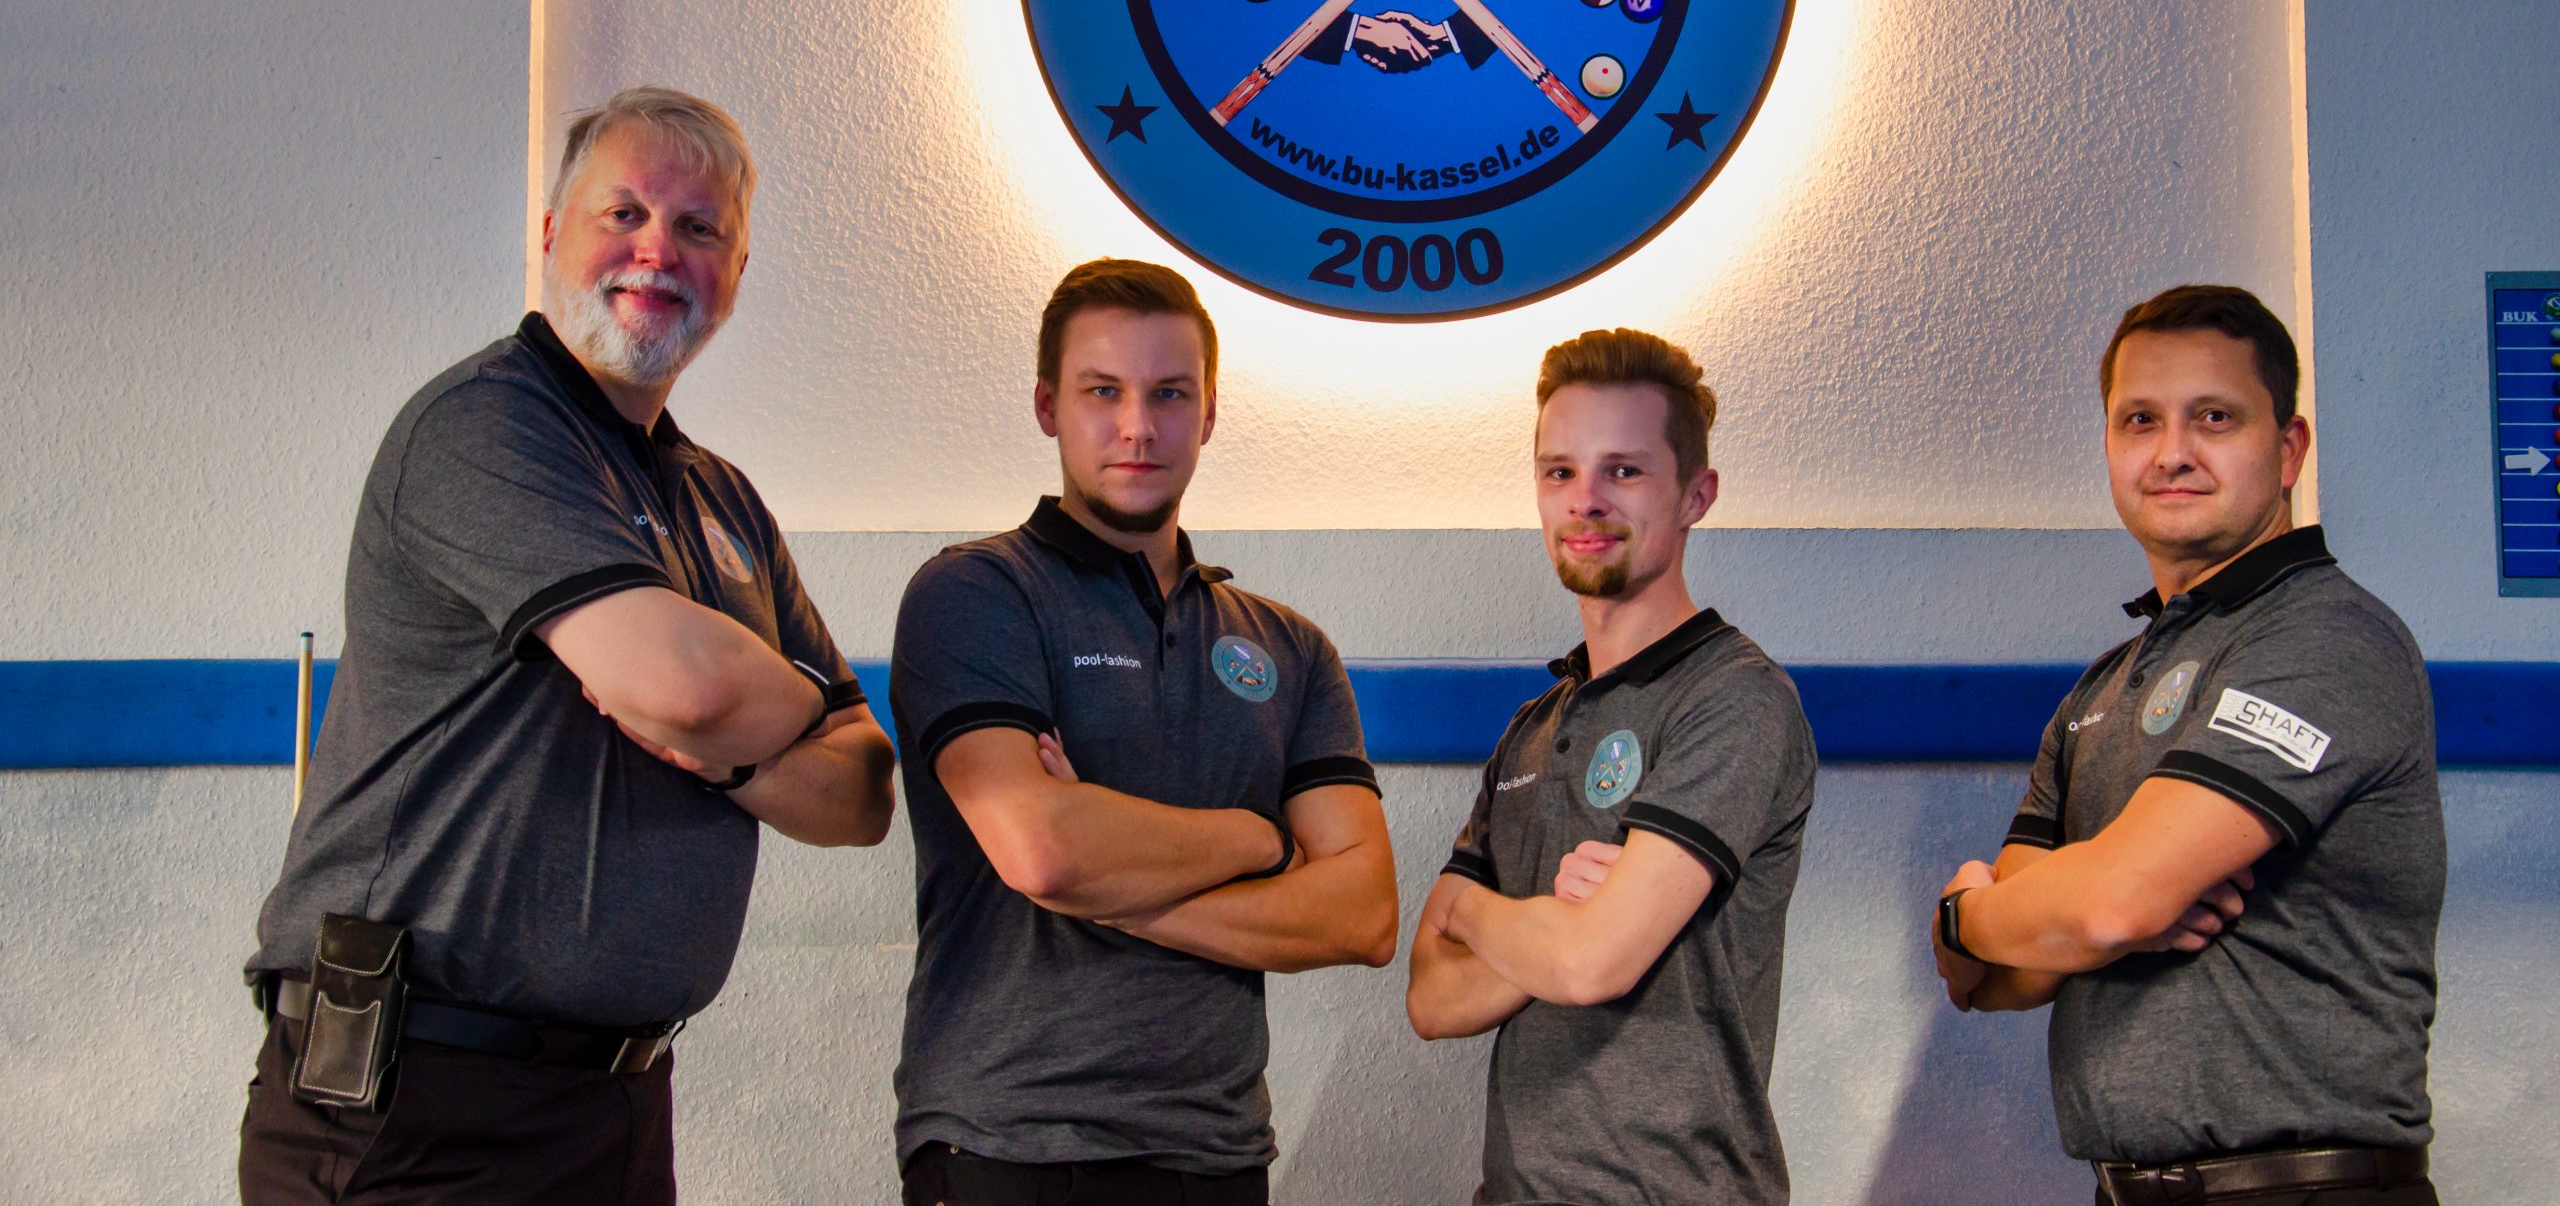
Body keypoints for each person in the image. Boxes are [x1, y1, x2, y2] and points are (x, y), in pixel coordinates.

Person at [239, 87, 896, 1204]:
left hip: (617, 1103)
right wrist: (785, 705)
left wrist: (731, 754)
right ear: (551, 233)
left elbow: (864, 793)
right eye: (623, 213)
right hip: (416, 1104)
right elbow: (686, 687)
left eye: (699, 228)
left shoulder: (722, 499)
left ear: (737, 270)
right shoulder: (484, 425)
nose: (658, 252)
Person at [890, 258, 1397, 1205]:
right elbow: (1043, 851)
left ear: (1208, 414)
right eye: (1102, 392)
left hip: (1218, 1154)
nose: (1137, 426)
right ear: (1047, 406)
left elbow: (1363, 913)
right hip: (1009, 1145)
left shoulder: (1290, 648)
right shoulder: (978, 594)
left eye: (1169, 393)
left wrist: (1114, 891)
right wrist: (1259, 841)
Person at [1930, 284, 2444, 1206]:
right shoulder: (2102, 688)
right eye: (2141, 420)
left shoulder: (2326, 636)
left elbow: (2106, 908)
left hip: (2302, 1190)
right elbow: (2008, 977)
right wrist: (2014, 925)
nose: (2172, 452)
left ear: (2288, 449)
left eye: (2215, 417)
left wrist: (1968, 914)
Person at [1406, 327, 1816, 1206]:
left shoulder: (1734, 697)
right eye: (1560, 472)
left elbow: (1593, 967)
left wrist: (1471, 911)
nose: (1585, 500)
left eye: (1623, 471)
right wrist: (1558, 925)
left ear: (1696, 495)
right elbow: (1432, 1000)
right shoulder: (1531, 730)